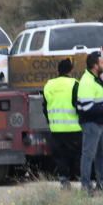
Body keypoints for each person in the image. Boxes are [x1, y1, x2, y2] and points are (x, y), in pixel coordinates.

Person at [77, 51, 103, 196]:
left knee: (101, 154)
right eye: (101, 63)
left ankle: (101, 183)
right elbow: (86, 107)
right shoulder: (87, 81)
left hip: (99, 123)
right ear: (95, 65)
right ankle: (86, 186)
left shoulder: (96, 78)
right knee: (88, 155)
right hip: (91, 124)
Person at [41, 58, 80, 189]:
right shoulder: (75, 84)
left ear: (58, 70)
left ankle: (64, 181)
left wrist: (50, 120)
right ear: (70, 70)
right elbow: (78, 105)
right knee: (76, 155)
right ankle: (79, 179)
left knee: (60, 156)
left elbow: (45, 106)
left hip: (56, 128)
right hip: (74, 128)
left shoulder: (49, 85)